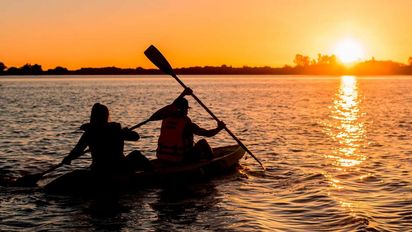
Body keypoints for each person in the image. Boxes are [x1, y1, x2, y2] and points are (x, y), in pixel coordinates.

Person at [62, 103, 151, 175]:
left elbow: (77, 150)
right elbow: (136, 137)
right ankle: (154, 173)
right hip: (118, 168)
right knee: (136, 154)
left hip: (98, 169)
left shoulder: (89, 132)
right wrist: (126, 132)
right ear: (106, 116)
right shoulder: (115, 129)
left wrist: (68, 158)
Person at [156, 88, 226, 163]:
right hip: (180, 159)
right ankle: (212, 161)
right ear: (184, 110)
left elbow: (173, 105)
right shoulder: (187, 125)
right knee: (202, 142)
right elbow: (208, 134)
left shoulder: (166, 117)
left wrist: (183, 94)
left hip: (162, 157)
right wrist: (219, 128)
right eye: (186, 109)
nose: (187, 111)